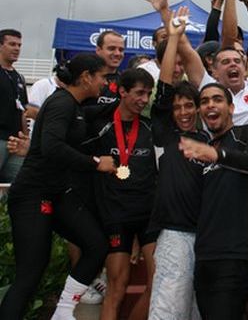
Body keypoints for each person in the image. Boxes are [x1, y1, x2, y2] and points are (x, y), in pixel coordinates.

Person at [0, 53, 116, 320]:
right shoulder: (61, 103)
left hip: (57, 193)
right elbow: (52, 147)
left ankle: (63, 313)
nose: (104, 83)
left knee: (97, 245)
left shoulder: (75, 106)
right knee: (30, 275)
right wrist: (95, 162)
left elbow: (102, 110)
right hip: (32, 195)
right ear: (86, 77)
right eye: (102, 77)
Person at [178, 82, 248, 319]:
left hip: (235, 254)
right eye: (204, 101)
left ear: (231, 108)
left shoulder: (247, 134)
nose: (210, 105)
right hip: (203, 255)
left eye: (217, 99)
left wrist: (219, 155)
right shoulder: (201, 148)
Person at [82, 67, 157, 320]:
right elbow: (70, 151)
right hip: (116, 217)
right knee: (116, 288)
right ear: (122, 91)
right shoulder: (98, 125)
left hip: (147, 216)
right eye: (139, 93)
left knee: (157, 281)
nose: (144, 100)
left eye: (148, 94)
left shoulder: (149, 127)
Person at [148, 7, 205, 320]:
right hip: (174, 235)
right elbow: (165, 87)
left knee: (196, 312)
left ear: (198, 109)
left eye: (189, 106)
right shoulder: (165, 135)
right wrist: (173, 38)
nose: (183, 112)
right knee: (167, 311)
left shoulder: (209, 140)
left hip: (206, 235)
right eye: (177, 107)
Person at [0, 29, 28, 183]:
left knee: (19, 185)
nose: (17, 48)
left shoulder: (19, 77)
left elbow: (23, 111)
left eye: (19, 45)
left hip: (16, 142)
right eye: (12, 44)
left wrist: (26, 138)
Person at [94, 30, 126, 105]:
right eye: (111, 48)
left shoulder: (125, 81)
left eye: (121, 50)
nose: (117, 53)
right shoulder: (86, 79)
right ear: (98, 50)